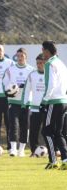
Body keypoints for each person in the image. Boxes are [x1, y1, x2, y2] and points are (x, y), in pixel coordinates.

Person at [40, 41, 67, 170]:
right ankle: (66, 160)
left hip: (53, 102)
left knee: (46, 131)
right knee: (59, 132)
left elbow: (51, 84)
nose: (42, 53)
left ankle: (53, 161)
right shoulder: (61, 63)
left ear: (47, 51)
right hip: (63, 101)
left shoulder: (49, 64)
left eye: (43, 50)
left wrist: (44, 101)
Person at [2, 48, 34, 157]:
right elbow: (5, 83)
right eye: (18, 56)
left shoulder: (31, 70)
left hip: (26, 102)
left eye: (22, 56)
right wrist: (9, 91)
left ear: (25, 56)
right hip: (13, 101)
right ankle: (13, 149)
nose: (20, 58)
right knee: (13, 124)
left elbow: (33, 85)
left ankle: (21, 150)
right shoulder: (10, 69)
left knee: (25, 126)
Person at [22, 53, 45, 157]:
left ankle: (54, 150)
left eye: (41, 63)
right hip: (35, 108)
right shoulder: (32, 75)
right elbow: (27, 90)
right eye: (37, 63)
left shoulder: (50, 74)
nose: (39, 65)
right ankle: (33, 151)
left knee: (48, 131)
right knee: (33, 131)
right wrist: (25, 103)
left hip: (47, 107)